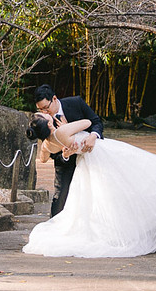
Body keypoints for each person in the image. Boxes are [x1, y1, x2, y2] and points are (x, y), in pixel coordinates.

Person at [22, 112, 156, 258]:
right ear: (49, 125)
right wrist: (66, 125)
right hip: (101, 154)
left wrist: (64, 150)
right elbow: (86, 122)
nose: (47, 114)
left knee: (101, 199)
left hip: (85, 165)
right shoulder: (62, 131)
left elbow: (43, 159)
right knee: (133, 179)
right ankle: (125, 232)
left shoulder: (46, 145)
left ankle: (116, 232)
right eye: (45, 116)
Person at [33, 85, 104, 217]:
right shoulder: (44, 120)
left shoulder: (76, 102)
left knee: (97, 194)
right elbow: (50, 153)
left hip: (91, 154)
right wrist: (65, 156)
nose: (44, 112)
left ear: (54, 99)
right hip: (64, 162)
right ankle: (54, 227)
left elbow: (96, 122)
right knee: (60, 197)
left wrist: (93, 136)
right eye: (40, 109)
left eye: (46, 107)